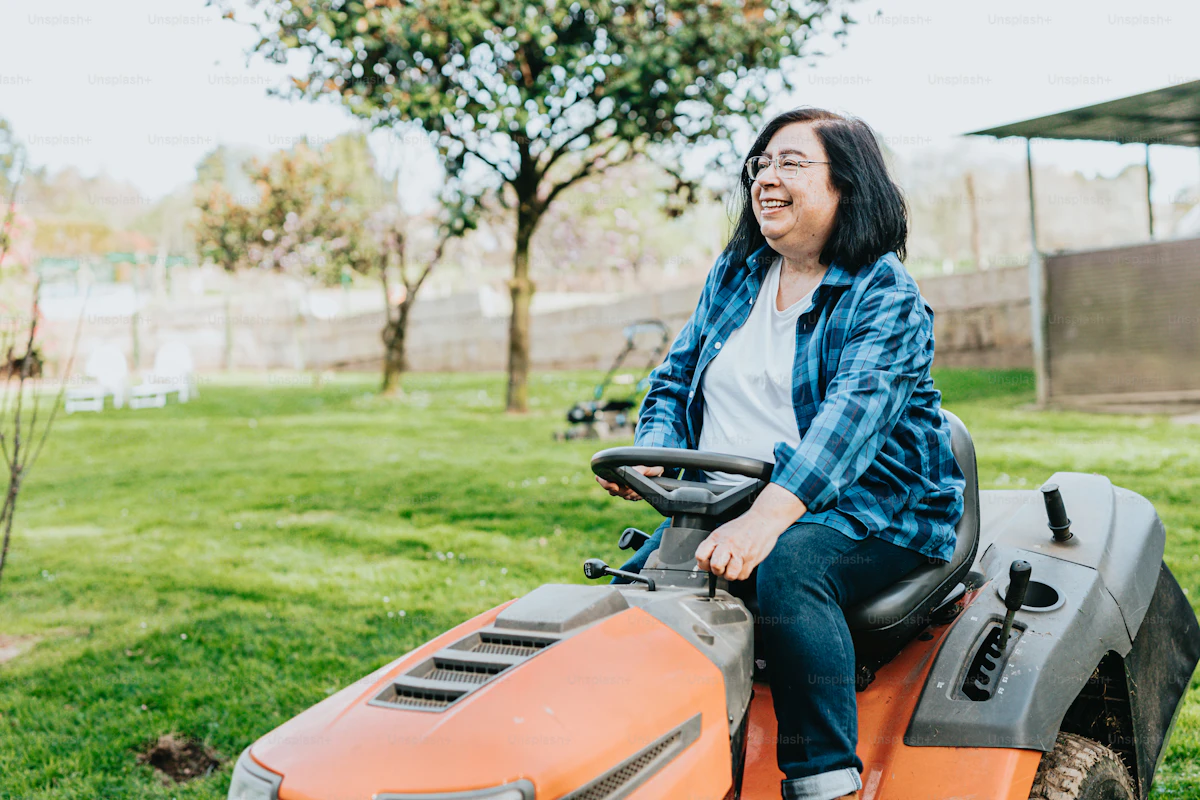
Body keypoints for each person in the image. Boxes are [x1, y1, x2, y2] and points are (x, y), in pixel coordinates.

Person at [596, 108, 964, 800]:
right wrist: (658, 448)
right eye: (760, 163)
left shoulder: (884, 294)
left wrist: (765, 523)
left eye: (791, 162)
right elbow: (676, 376)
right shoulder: (739, 272)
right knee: (630, 599)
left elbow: (845, 427)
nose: (767, 175)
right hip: (727, 497)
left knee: (790, 571)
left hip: (871, 509)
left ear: (847, 184)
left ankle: (823, 779)